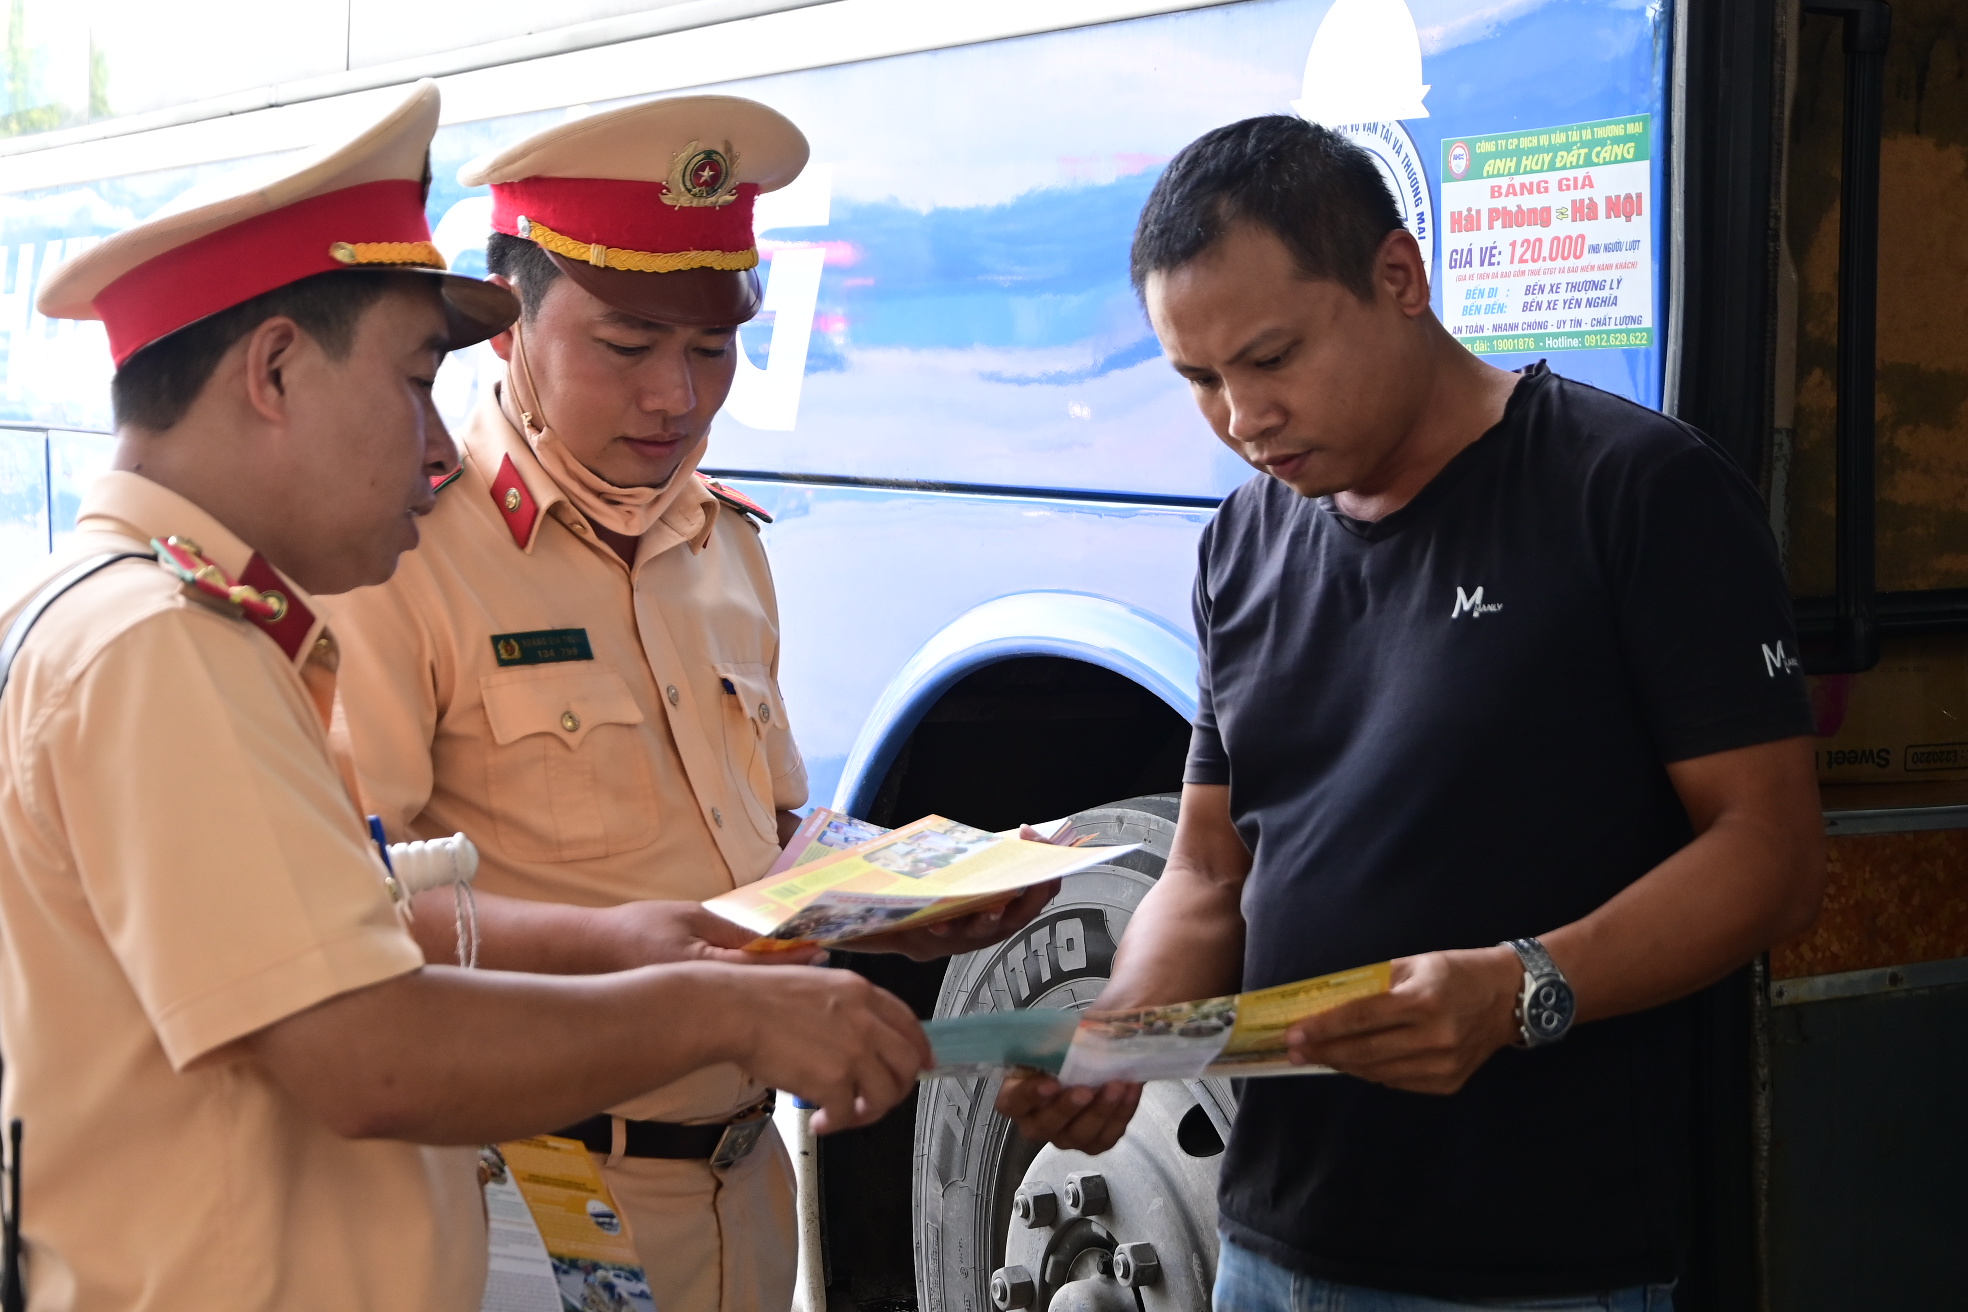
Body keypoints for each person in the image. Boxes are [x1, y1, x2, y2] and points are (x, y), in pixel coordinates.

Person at [0, 82, 928, 1312]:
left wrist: (639, 939)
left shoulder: (139, 618)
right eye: (412, 380)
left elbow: (352, 920)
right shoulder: (159, 646)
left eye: (708, 348)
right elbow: (364, 1051)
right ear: (275, 371)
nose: (438, 447)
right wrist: (717, 1008)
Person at [998, 116, 1827, 1310]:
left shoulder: (1634, 492)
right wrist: (1125, 1031)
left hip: (1544, 1265)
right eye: (1200, 380)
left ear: (1399, 278)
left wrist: (1525, 986)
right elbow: (1210, 872)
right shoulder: (1243, 541)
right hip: (1272, 1244)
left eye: (1271, 358)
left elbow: (1773, 854)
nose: (1242, 419)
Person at [320, 94, 1056, 1312]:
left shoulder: (722, 544)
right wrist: (647, 962)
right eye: (625, 346)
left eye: (710, 349)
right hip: (527, 1196)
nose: (676, 396)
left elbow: (761, 853)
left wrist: (902, 901)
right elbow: (353, 915)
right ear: (508, 329)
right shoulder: (405, 549)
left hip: (740, 1187)